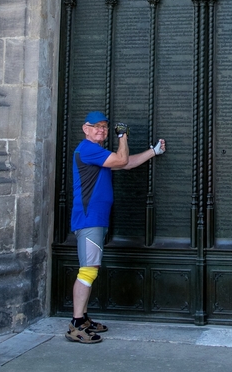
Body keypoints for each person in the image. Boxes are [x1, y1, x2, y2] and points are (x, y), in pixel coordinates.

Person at [67, 110, 166, 344]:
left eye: (104, 127)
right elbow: (122, 159)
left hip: (97, 218)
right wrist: (123, 136)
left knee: (90, 268)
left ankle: (83, 319)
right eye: (96, 126)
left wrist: (153, 152)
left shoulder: (98, 153)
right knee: (88, 270)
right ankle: (77, 324)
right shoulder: (87, 149)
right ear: (85, 128)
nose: (101, 130)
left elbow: (126, 163)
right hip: (89, 218)